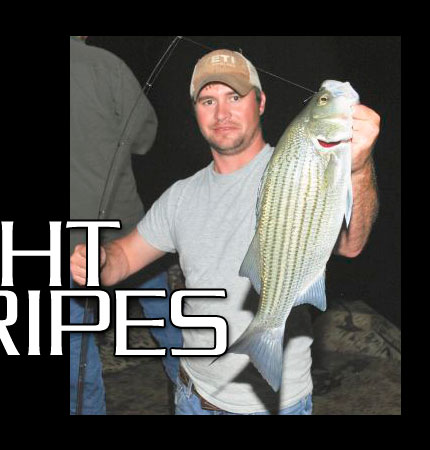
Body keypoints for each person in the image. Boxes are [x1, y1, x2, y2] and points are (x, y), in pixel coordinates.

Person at [70, 49, 381, 415]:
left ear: (261, 102)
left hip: (279, 406)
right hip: (192, 398)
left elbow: (352, 243)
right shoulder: (180, 196)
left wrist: (358, 169)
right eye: (208, 100)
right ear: (196, 112)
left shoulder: (298, 164)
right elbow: (121, 260)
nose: (222, 113)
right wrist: (98, 260)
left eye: (235, 96)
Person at [69, 36, 183, 415]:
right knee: (170, 329)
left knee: (77, 355)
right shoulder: (107, 66)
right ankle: (195, 400)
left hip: (65, 248)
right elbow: (145, 139)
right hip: (129, 233)